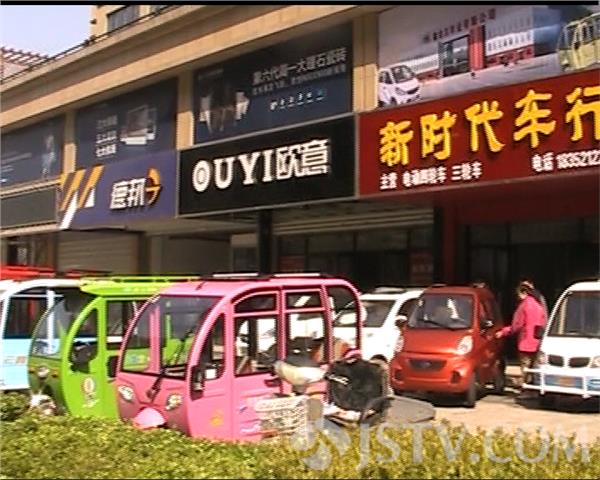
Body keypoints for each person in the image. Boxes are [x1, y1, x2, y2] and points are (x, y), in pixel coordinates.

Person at [495, 281, 546, 398]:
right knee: (535, 368)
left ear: (523, 293)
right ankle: (535, 390)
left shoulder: (523, 306)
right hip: (537, 341)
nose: (518, 297)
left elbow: (516, 325)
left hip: (525, 342)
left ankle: (526, 390)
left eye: (518, 294)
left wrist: (503, 332)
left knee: (525, 368)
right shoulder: (539, 305)